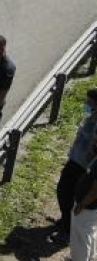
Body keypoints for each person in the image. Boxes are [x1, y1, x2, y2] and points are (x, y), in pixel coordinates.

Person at [53, 88, 97, 244]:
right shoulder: (91, 117)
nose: (87, 103)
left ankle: (68, 230)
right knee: (64, 191)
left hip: (84, 166)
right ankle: (65, 221)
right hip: (76, 160)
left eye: (90, 102)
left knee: (66, 192)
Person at [54, 163, 97, 261]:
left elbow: (95, 191)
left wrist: (82, 204)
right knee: (88, 234)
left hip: (88, 207)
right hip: (90, 208)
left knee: (80, 238)